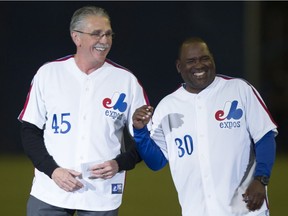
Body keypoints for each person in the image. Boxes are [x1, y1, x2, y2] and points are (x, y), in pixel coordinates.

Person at [18, 6, 149, 216]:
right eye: (96, 33)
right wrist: (53, 171)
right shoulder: (49, 73)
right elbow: (29, 130)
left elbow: (145, 140)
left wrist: (120, 163)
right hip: (51, 191)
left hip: (101, 194)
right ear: (76, 37)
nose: (104, 40)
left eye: (108, 34)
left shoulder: (126, 81)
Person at [132, 37, 277, 216]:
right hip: (196, 211)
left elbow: (265, 137)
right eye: (191, 61)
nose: (199, 65)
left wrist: (261, 179)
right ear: (179, 66)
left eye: (204, 58)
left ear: (213, 59)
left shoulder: (239, 90)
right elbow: (156, 162)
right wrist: (140, 131)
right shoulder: (167, 106)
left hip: (245, 210)